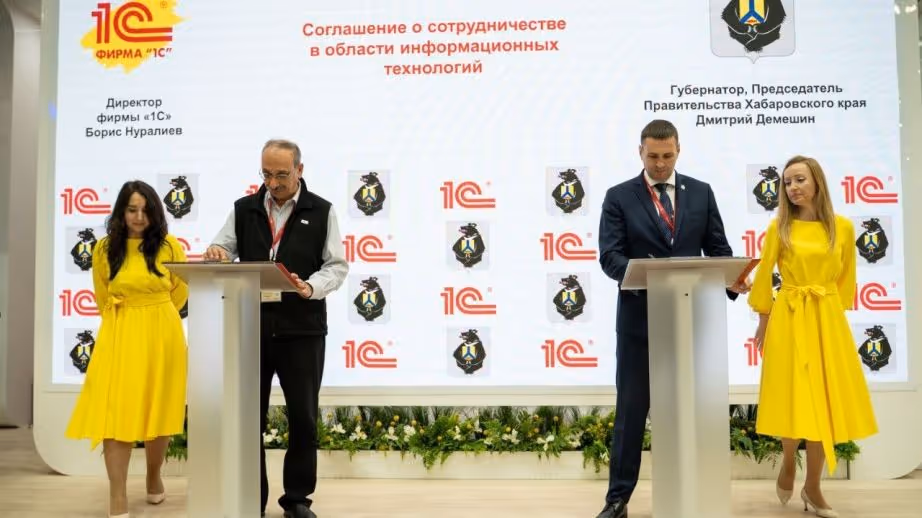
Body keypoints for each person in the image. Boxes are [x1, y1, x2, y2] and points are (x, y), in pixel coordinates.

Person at [595, 119, 749, 518]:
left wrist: (732, 281)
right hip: (639, 325)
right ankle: (617, 500)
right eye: (653, 156)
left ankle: (695, 493)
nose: (660, 164)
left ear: (679, 150)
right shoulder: (619, 196)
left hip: (692, 323)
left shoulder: (701, 192)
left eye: (667, 155)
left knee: (695, 409)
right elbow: (610, 257)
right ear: (640, 152)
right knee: (631, 414)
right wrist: (649, 274)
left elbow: (718, 249)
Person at [203, 138, 348, 518]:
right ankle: (251, 499)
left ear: (300, 170)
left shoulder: (321, 211)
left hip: (302, 330)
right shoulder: (245, 208)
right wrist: (218, 252)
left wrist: (310, 287)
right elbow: (222, 247)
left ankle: (296, 499)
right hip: (251, 328)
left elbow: (336, 266)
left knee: (303, 418)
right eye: (266, 174)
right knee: (249, 418)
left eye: (281, 174)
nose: (273, 183)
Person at [749, 156, 877, 518]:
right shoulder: (779, 227)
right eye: (787, 182)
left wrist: (832, 314)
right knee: (793, 396)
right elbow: (763, 276)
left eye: (800, 179)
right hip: (789, 317)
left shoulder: (843, 227)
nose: (793, 187)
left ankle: (814, 487)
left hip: (826, 319)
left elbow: (845, 278)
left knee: (824, 402)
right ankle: (789, 459)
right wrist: (763, 321)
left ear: (817, 181)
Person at [65, 180, 189, 518]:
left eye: (145, 210)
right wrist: (130, 314)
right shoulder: (104, 248)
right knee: (114, 414)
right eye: (132, 209)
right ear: (121, 212)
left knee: (159, 408)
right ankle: (117, 495)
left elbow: (180, 293)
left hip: (163, 332)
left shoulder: (170, 246)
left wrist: (154, 309)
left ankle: (153, 475)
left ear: (156, 212)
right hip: (120, 331)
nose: (139, 217)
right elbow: (102, 295)